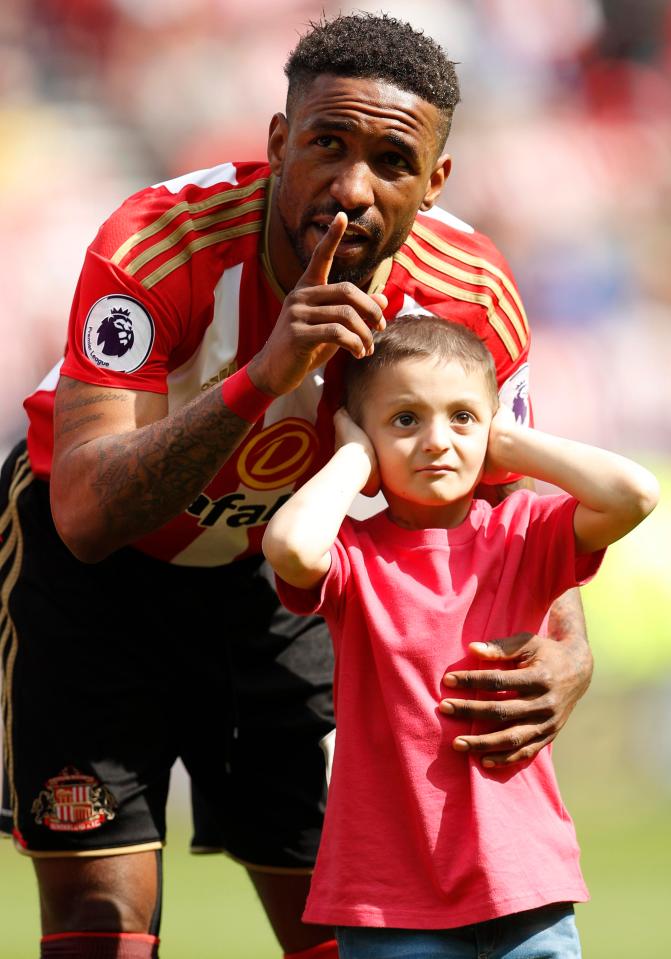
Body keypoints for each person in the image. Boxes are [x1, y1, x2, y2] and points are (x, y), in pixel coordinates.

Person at [0, 12, 593, 959]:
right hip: (95, 584)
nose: (351, 188)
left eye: (392, 161)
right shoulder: (162, 240)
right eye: (326, 144)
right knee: (101, 917)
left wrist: (566, 644)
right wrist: (262, 376)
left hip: (283, 573)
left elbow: (509, 507)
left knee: (343, 905)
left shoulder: (470, 294)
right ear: (279, 142)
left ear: (435, 181)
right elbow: (81, 512)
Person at [262, 313, 659, 959]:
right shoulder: (356, 556)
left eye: (461, 418)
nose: (435, 440)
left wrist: (509, 441)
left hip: (524, 889)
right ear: (364, 434)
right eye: (404, 420)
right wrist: (350, 458)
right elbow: (290, 546)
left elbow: (633, 493)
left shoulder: (524, 532)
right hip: (389, 902)